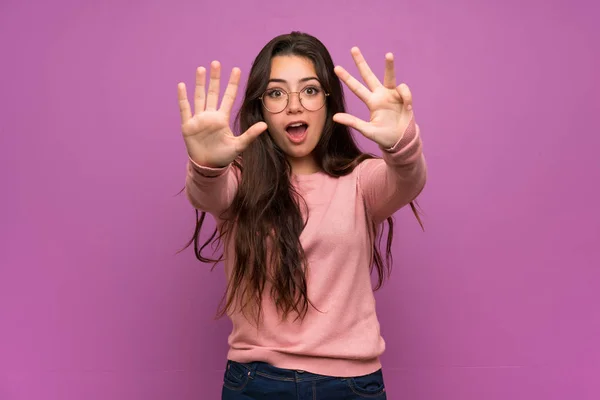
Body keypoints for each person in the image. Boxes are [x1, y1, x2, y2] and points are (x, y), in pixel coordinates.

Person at [176, 31, 427, 399]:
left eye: (309, 90)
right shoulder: (240, 180)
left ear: (328, 100)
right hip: (256, 383)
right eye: (276, 93)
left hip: (352, 386)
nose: (294, 106)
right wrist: (208, 165)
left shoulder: (360, 180)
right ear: (260, 106)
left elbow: (409, 180)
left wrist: (401, 144)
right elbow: (206, 194)